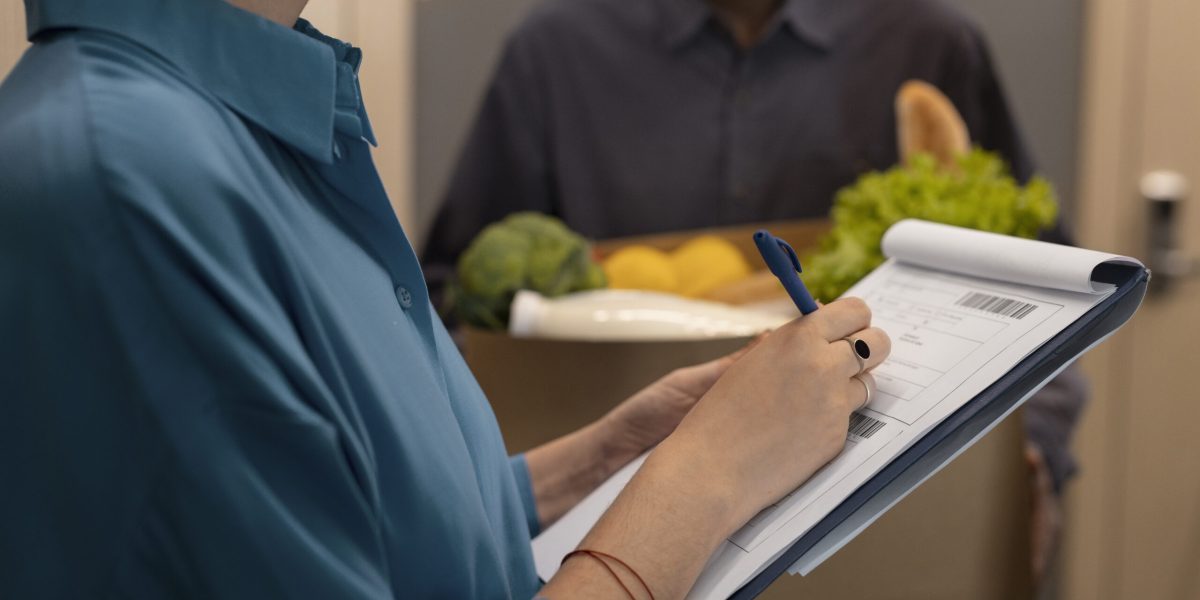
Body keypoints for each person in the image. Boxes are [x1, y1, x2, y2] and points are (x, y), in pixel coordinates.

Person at [0, 0, 891, 598]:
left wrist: (613, 452)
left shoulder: (233, 125)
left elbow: (375, 525)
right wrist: (709, 478)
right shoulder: (132, 178)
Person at [421, 0, 1084, 578]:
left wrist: (1031, 463)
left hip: (882, 537)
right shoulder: (557, 49)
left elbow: (1041, 285)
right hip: (611, 531)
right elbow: (451, 305)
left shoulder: (930, 40)